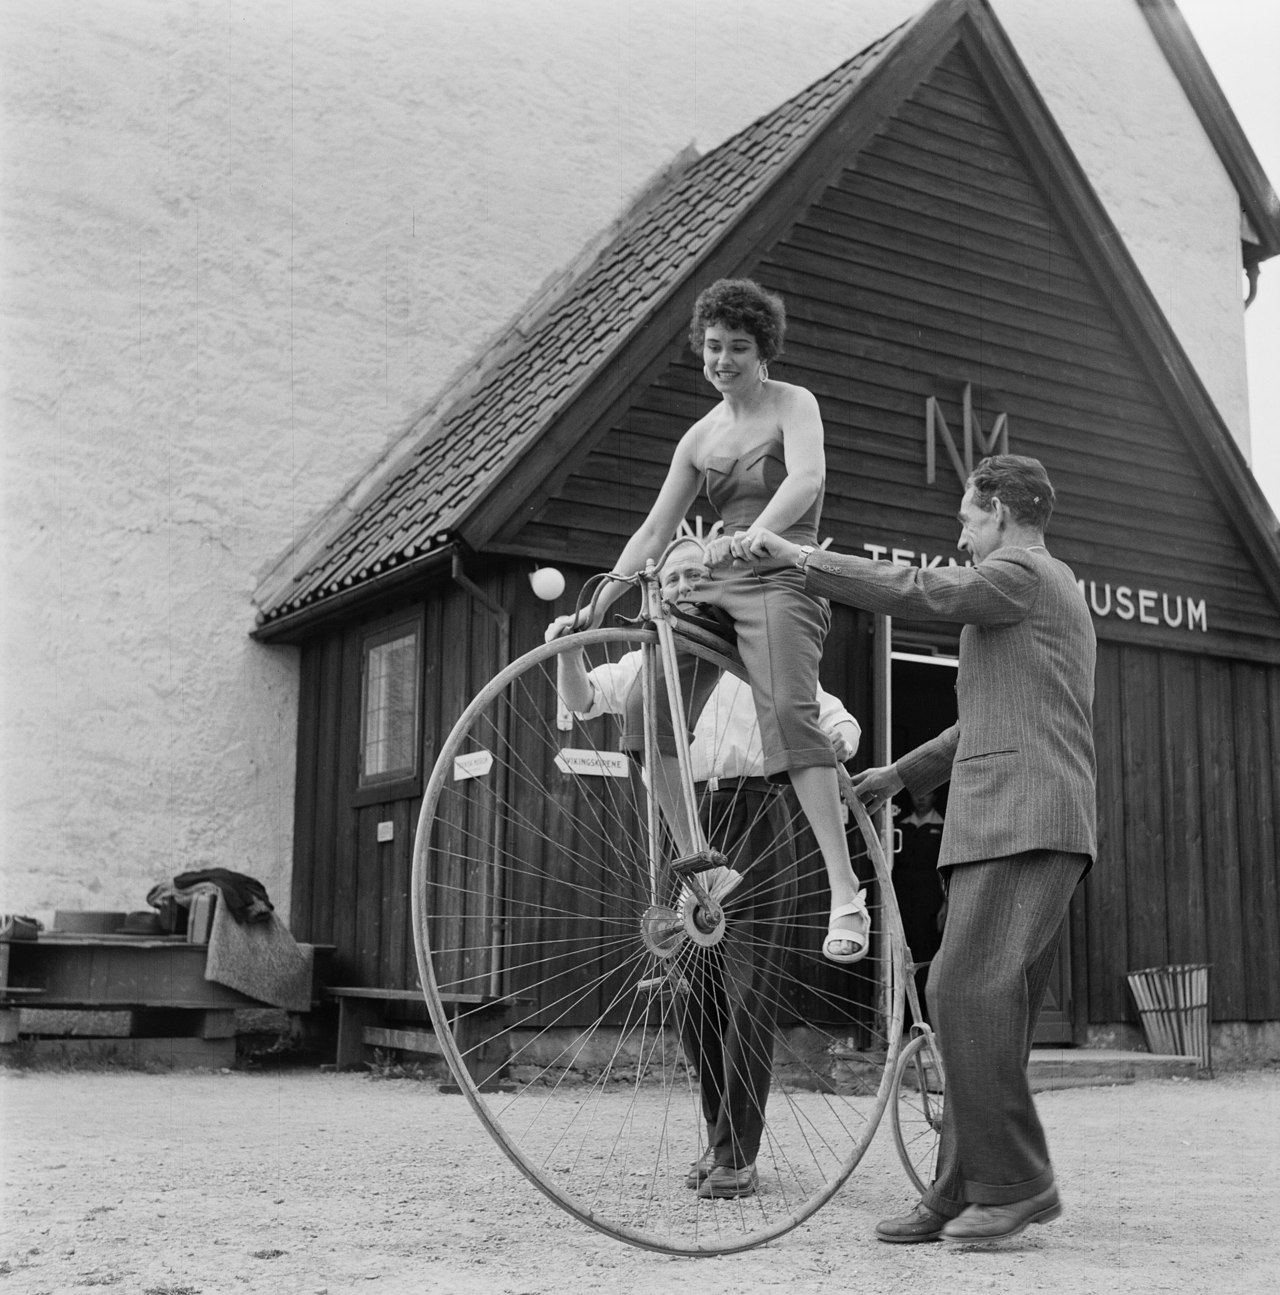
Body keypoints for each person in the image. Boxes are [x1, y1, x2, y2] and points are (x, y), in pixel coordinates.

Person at [733, 454, 1096, 1244]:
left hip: (1026, 818)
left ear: (1000, 512)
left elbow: (920, 589)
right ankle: (958, 1190)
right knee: (982, 1004)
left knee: (962, 989)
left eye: (967, 517)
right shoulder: (1031, 597)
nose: (960, 533)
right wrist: (900, 774)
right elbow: (982, 721)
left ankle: (1019, 1183)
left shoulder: (1024, 574)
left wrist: (802, 558)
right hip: (1011, 818)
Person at [549, 278, 868, 962]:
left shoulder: (794, 404)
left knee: (788, 707)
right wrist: (595, 604)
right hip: (717, 577)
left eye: (739, 348)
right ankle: (704, 861)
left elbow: (806, 480)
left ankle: (847, 892)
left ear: (764, 352)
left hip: (780, 569)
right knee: (645, 710)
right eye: (714, 347)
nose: (724, 360)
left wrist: (762, 532)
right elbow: (656, 529)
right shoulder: (700, 435)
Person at [549, 536, 862, 1200]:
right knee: (695, 998)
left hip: (754, 820)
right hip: (684, 824)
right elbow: (583, 701)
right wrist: (570, 646)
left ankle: (737, 1154)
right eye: (677, 577)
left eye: (698, 575)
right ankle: (719, 1135)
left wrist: (837, 740)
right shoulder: (652, 663)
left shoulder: (759, 657)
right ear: (660, 591)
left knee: (749, 992)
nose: (688, 588)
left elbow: (833, 722)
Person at [892, 786, 947, 1025]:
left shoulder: (944, 827)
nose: (921, 797)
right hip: (904, 901)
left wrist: (947, 902)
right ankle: (902, 1018)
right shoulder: (899, 826)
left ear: (934, 796)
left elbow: (946, 870)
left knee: (928, 954)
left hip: (931, 902)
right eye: (917, 793)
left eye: (926, 793)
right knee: (905, 951)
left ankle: (928, 1016)